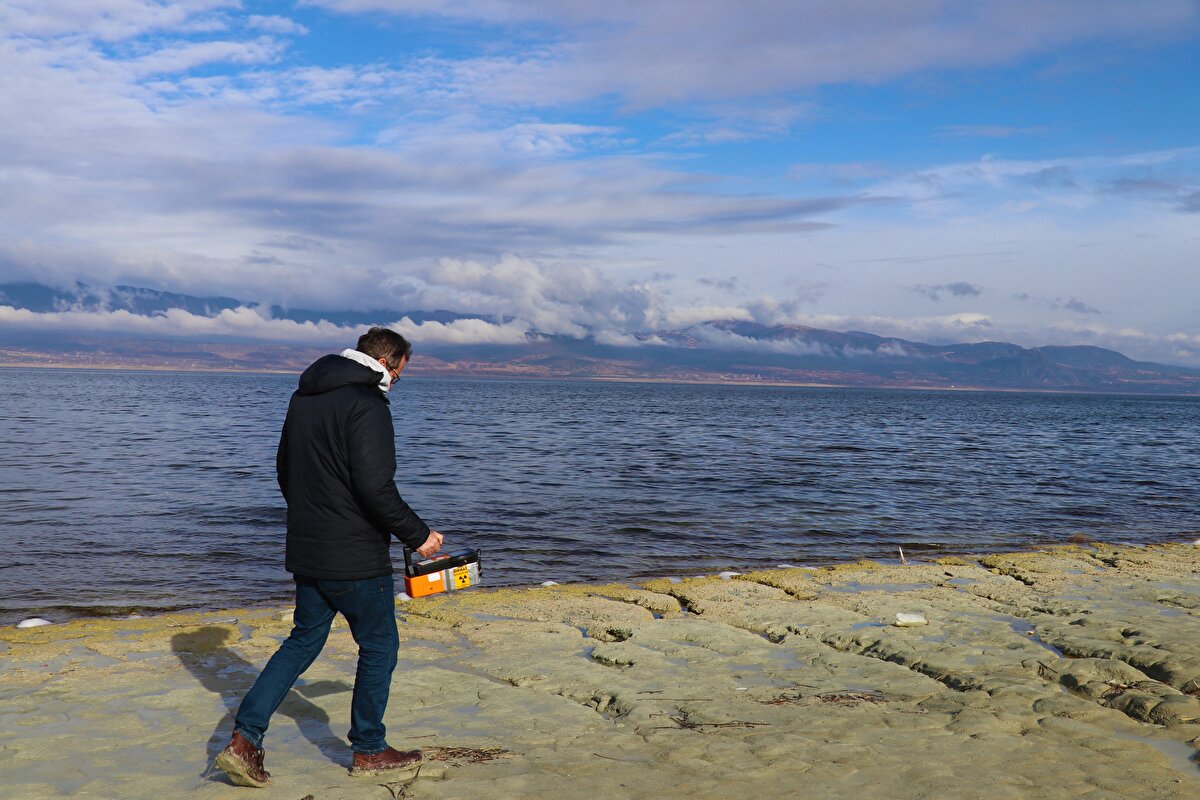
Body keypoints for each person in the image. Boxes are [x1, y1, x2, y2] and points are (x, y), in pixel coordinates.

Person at [215, 327, 443, 788]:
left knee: (302, 642)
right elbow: (375, 487)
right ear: (389, 362)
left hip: (308, 545)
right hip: (355, 553)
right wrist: (419, 535)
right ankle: (370, 749)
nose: (397, 382)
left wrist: (314, 517)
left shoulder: (305, 396)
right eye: (400, 375)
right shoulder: (367, 403)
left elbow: (285, 470)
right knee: (380, 647)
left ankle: (244, 740)